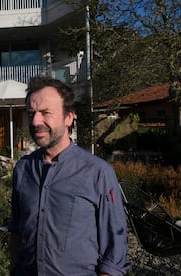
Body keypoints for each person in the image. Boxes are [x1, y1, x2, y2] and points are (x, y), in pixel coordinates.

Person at [8, 76, 130, 276]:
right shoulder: (23, 169)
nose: (36, 121)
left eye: (45, 113)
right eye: (31, 113)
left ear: (69, 117)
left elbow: (114, 252)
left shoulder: (97, 173)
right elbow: (17, 229)